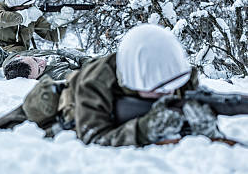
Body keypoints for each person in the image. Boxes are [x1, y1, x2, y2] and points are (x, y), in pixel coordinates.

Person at [22, 24, 223, 146]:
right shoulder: (95, 82)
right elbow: (93, 136)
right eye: (158, 89)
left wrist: (206, 125)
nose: (169, 93)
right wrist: (143, 130)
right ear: (136, 80)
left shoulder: (174, 73)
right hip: (71, 103)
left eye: (172, 85)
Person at [0, 0, 66, 53]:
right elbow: (2, 20)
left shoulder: (30, 13)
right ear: (14, 3)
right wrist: (23, 16)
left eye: (30, 5)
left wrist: (62, 21)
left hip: (20, 53)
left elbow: (53, 36)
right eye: (24, 6)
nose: (28, 8)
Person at [2, 48, 89, 80]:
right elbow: (93, 72)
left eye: (35, 59)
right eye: (40, 70)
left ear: (19, 56)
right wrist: (80, 57)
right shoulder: (57, 76)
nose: (42, 62)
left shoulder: (12, 61)